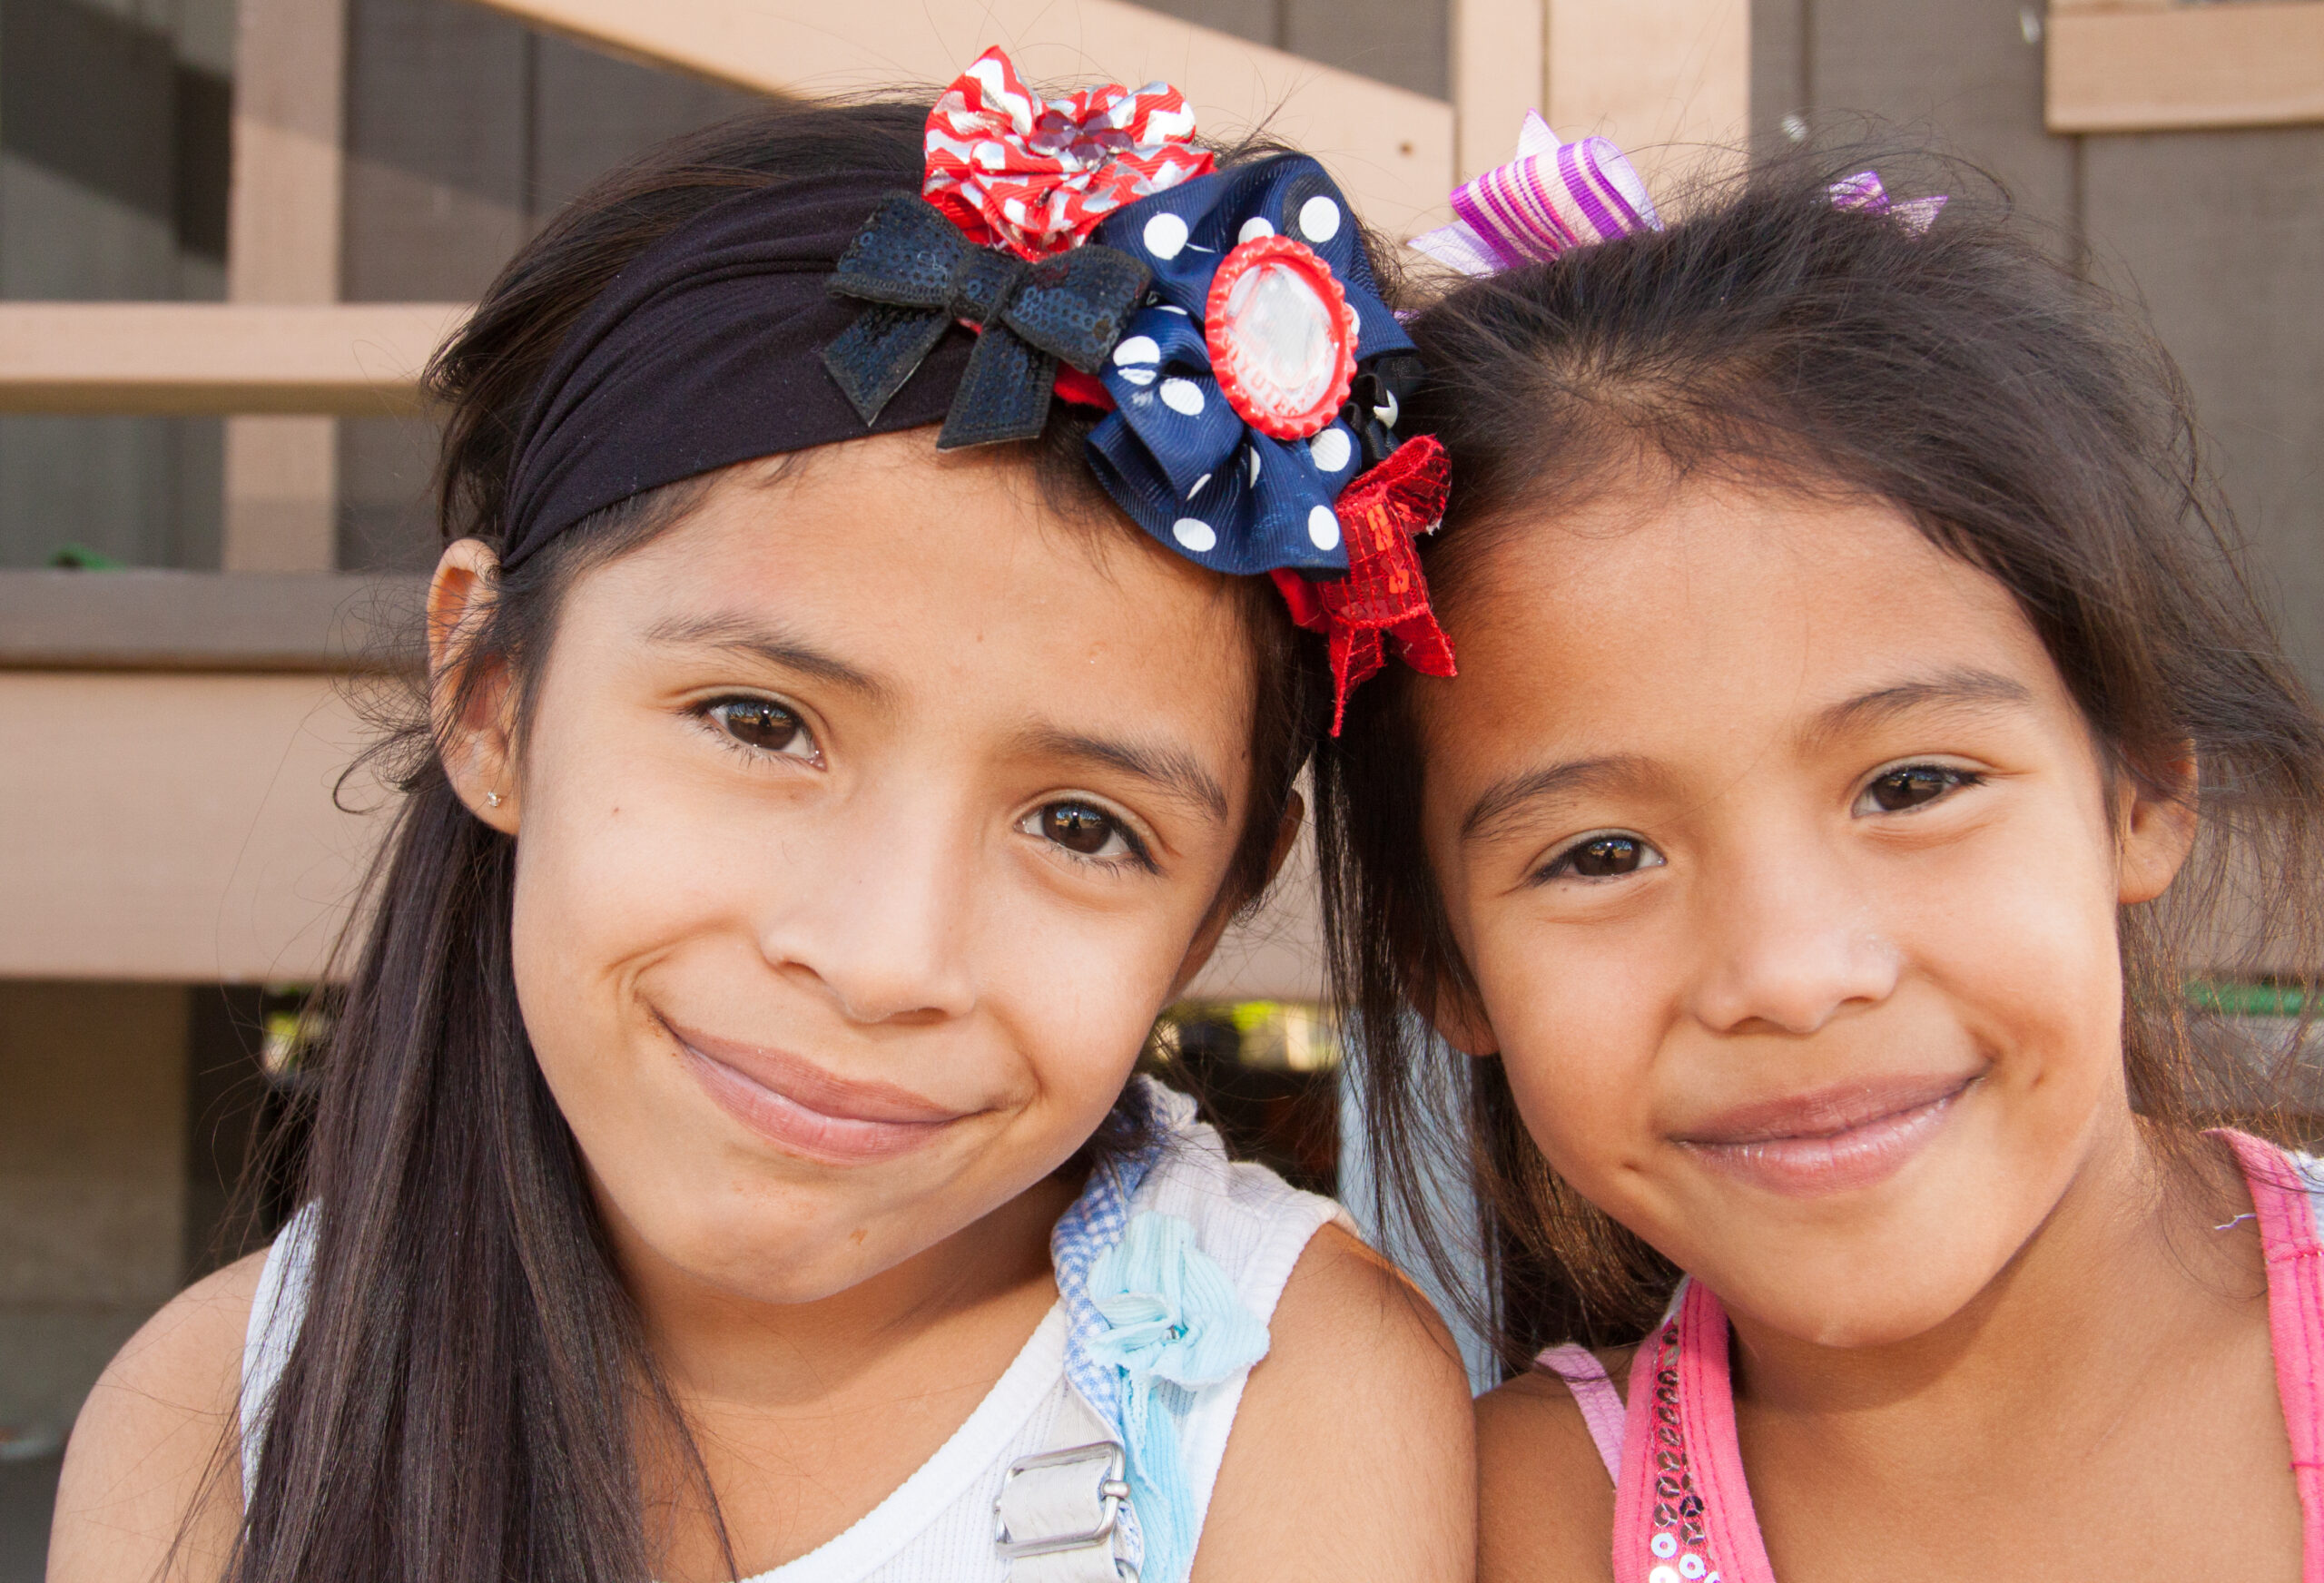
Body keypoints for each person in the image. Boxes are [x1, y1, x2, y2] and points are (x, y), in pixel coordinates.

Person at [49, 54, 1472, 1583]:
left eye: (1079, 825)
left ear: (1213, 902)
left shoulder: (1270, 1400)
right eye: (759, 723)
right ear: (490, 696)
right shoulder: (218, 1418)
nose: (880, 957)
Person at [1316, 121, 2324, 1582]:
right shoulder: (1512, 1523)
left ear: (2142, 792)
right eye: (1601, 856)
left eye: (1913, 783)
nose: (1789, 975)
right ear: (1443, 962)